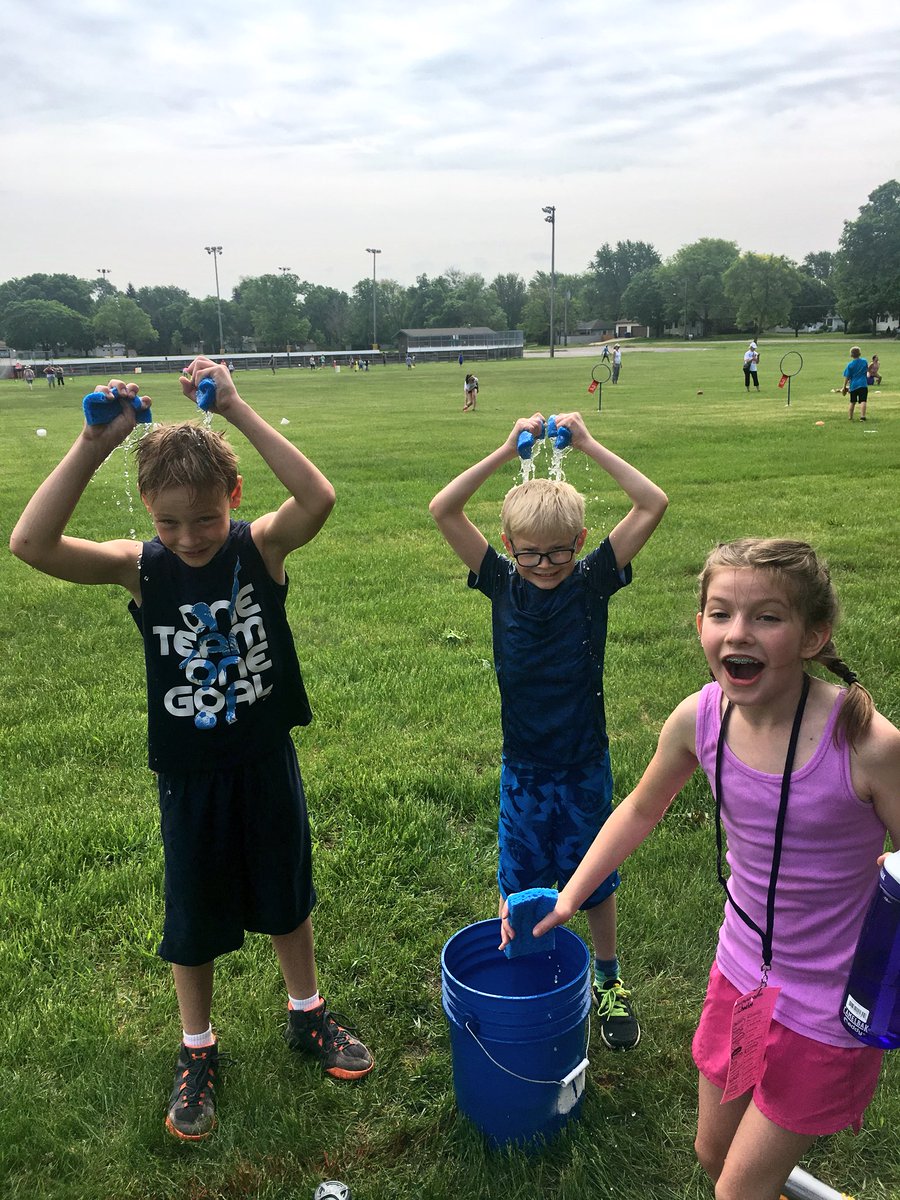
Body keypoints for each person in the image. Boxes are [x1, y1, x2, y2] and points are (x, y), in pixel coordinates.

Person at [10, 357, 374, 1142]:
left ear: (231, 501)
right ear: (147, 510)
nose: (189, 537)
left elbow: (319, 498)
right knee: (194, 908)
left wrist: (237, 408)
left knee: (286, 889)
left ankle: (306, 1012)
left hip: (263, 755)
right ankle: (197, 1047)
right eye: (169, 522)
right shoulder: (142, 570)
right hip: (189, 774)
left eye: (203, 520)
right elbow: (31, 544)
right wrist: (92, 444)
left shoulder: (259, 548)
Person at [505, 538, 900, 1199]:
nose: (738, 632)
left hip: (830, 1011)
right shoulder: (701, 719)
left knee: (734, 1190)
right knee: (714, 1151)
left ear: (814, 634)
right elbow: (638, 809)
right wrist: (571, 895)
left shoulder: (865, 745)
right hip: (743, 981)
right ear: (700, 627)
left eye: (767, 617)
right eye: (720, 614)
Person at [429, 413, 668, 1050]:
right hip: (525, 767)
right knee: (518, 877)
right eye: (529, 552)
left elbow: (653, 503)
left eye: (559, 551)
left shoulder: (591, 581)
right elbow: (444, 508)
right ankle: (521, 974)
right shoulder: (502, 584)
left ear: (581, 540)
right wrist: (507, 451)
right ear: (506, 544)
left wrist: (588, 443)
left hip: (585, 761)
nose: (544, 564)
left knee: (596, 877)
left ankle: (610, 979)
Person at [841, 346, 868, 420]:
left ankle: (850, 417)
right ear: (860, 353)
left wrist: (844, 387)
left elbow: (847, 376)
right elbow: (866, 371)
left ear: (851, 355)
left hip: (853, 385)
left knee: (852, 402)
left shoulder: (850, 365)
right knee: (863, 400)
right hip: (863, 384)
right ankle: (862, 416)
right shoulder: (864, 361)